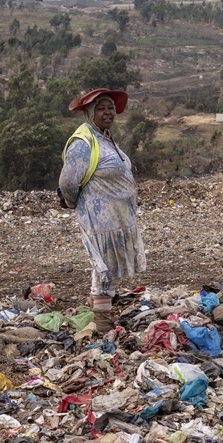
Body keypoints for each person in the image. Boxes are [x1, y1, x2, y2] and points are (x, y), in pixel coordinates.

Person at [59, 88, 146, 332]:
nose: (108, 112)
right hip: (100, 222)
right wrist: (74, 203)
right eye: (100, 108)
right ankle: (102, 324)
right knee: (105, 269)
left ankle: (102, 316)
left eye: (110, 107)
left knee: (111, 268)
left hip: (117, 220)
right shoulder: (83, 142)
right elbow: (67, 183)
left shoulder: (103, 137)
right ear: (89, 113)